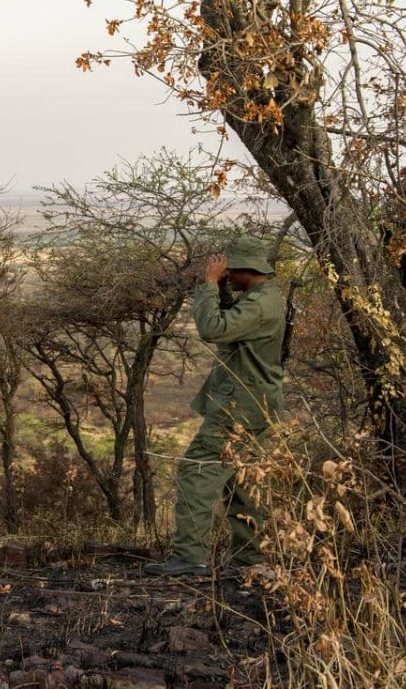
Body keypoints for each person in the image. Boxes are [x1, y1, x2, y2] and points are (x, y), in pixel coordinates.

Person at [145, 236, 284, 577]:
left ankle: (189, 557)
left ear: (246, 269)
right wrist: (221, 292)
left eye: (231, 271)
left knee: (196, 471)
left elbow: (213, 328)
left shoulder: (260, 303)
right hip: (257, 404)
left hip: (239, 407)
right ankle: (250, 559)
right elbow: (236, 321)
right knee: (243, 482)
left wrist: (209, 285)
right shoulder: (264, 297)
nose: (227, 275)